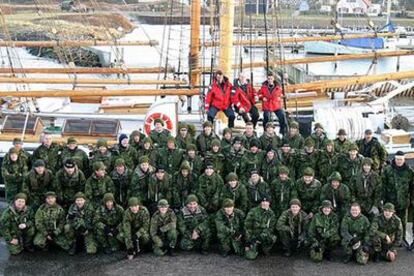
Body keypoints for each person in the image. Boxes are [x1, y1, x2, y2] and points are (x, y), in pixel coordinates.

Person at [381, 151, 414, 248]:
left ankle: (402, 239)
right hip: (390, 201)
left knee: (402, 222)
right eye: (397, 159)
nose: (399, 161)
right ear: (395, 159)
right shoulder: (388, 170)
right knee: (389, 221)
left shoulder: (409, 171)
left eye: (401, 159)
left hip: (403, 201)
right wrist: (382, 199)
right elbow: (382, 185)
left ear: (404, 160)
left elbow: (412, 187)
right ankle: (389, 240)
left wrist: (411, 199)